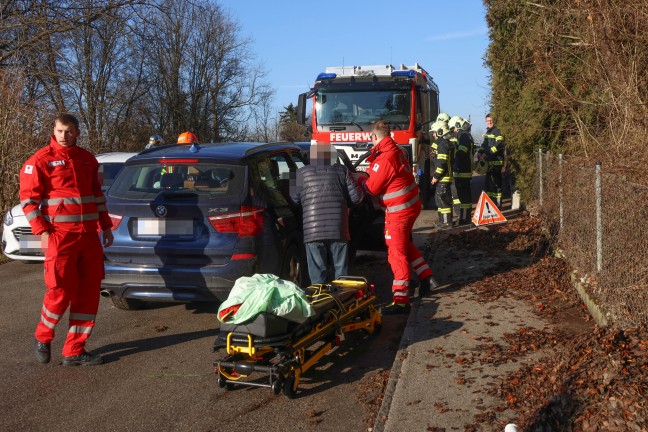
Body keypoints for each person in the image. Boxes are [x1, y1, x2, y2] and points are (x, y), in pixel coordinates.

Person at [20, 113, 114, 366]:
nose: (64, 135)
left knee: (89, 292)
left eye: (69, 131)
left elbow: (97, 196)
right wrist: (43, 231)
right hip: (60, 238)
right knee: (60, 290)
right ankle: (43, 336)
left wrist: (106, 226)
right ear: (54, 130)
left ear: (77, 133)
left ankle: (74, 350)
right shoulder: (40, 161)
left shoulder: (87, 159)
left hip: (88, 237)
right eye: (60, 131)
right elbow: (28, 202)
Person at [361, 121, 435, 314]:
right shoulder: (398, 151)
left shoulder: (385, 158)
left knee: (396, 252)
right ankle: (425, 275)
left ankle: (401, 299)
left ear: (374, 137)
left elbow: (372, 188)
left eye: (371, 138)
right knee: (404, 245)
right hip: (410, 206)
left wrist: (361, 181)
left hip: (398, 211)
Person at [290, 143, 365, 284]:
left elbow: (294, 200)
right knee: (341, 271)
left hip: (312, 231)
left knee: (317, 273)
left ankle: (321, 302)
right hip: (338, 228)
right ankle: (343, 300)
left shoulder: (300, 173)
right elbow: (356, 198)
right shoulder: (342, 170)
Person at [478, 113, 506, 207]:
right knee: (488, 185)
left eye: (490, 120)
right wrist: (480, 151)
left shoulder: (496, 131)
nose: (489, 122)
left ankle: (498, 206)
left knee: (496, 185)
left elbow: (500, 143)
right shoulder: (488, 132)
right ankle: (490, 205)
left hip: (496, 162)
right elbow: (484, 145)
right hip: (489, 163)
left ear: (493, 121)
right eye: (487, 121)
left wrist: (489, 152)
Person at [431, 120, 454, 229]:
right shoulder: (442, 143)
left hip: (443, 178)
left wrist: (436, 176)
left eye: (434, 132)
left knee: (443, 200)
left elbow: (442, 163)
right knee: (439, 199)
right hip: (443, 178)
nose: (433, 134)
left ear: (440, 132)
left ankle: (447, 223)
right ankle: (442, 221)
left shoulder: (443, 145)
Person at [452, 117, 474, 225]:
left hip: (463, 171)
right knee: (464, 195)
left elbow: (462, 152)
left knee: (464, 196)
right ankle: (465, 217)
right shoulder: (464, 135)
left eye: (454, 129)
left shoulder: (463, 136)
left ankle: (465, 219)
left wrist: (453, 156)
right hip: (463, 170)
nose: (454, 131)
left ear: (457, 126)